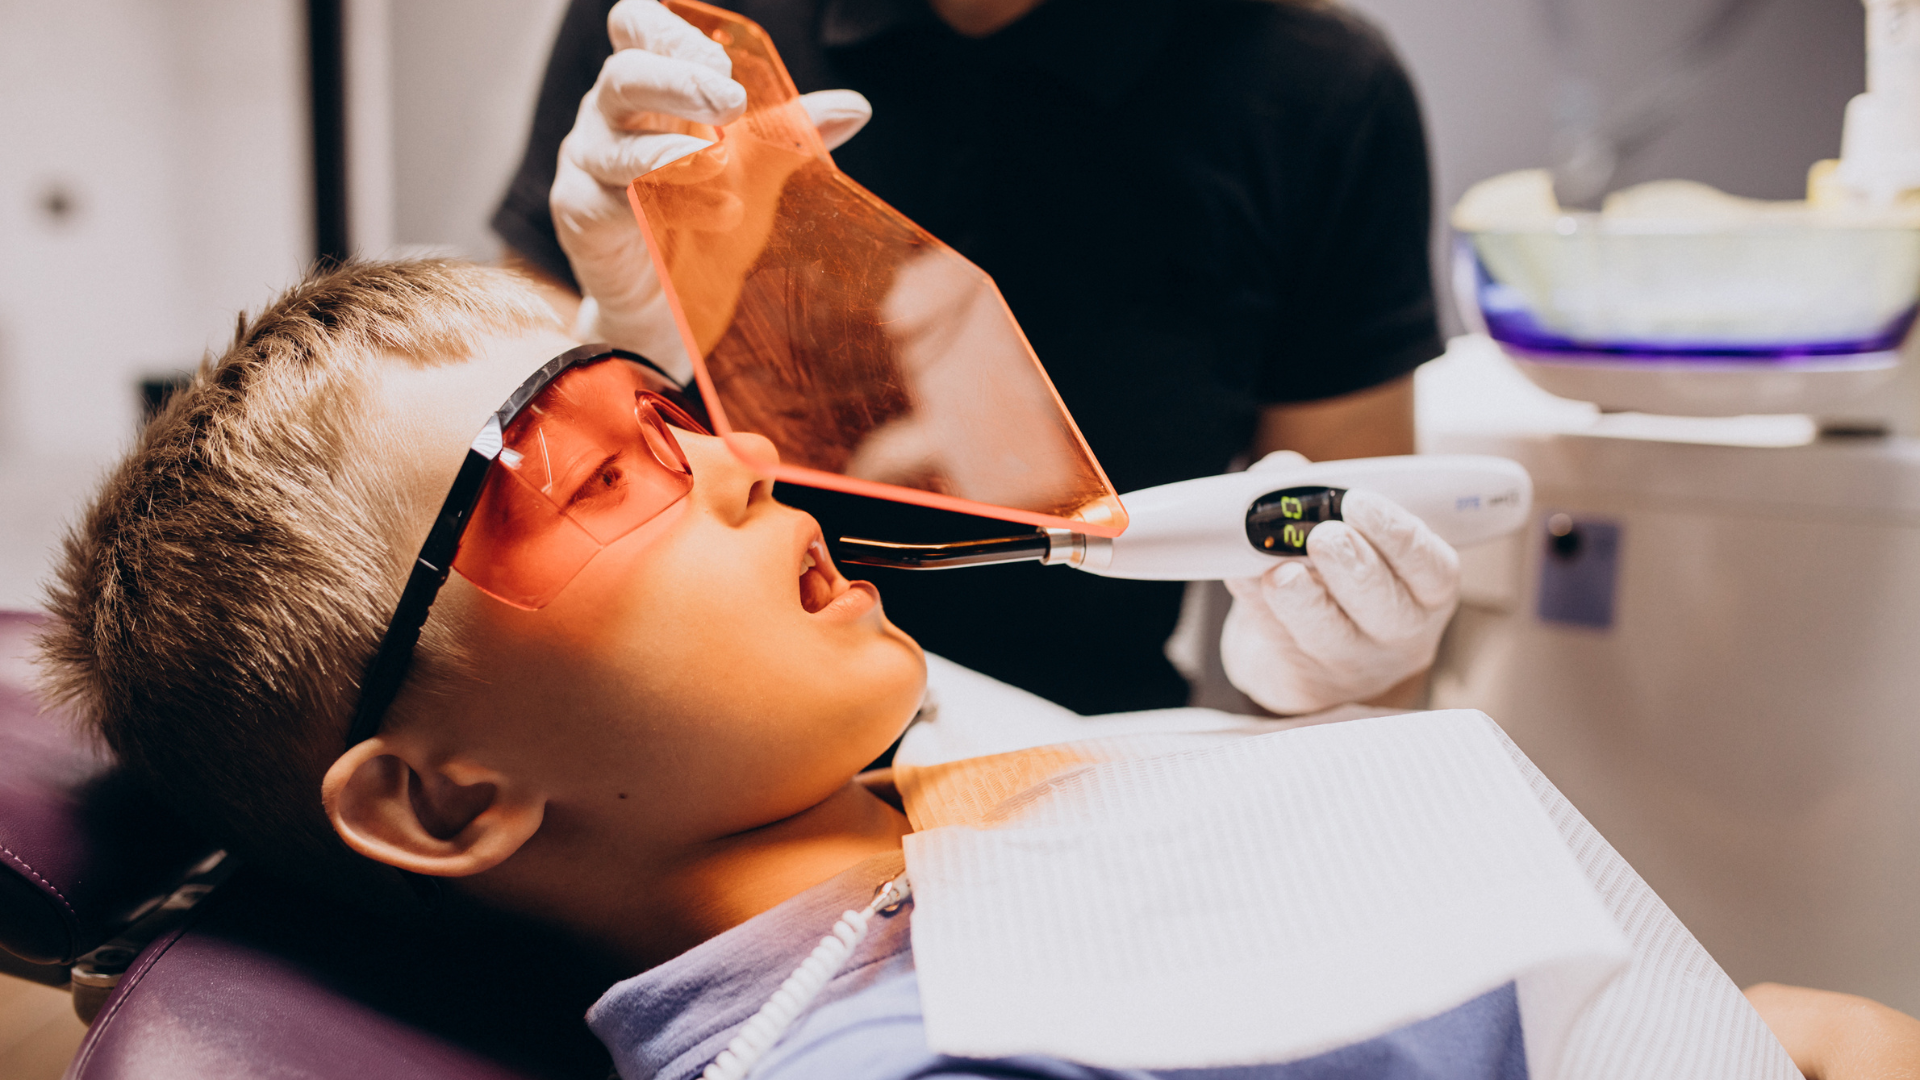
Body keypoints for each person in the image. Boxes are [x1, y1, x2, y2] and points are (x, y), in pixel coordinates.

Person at [36, 260, 1920, 1079]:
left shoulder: (904, 822)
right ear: (448, 793)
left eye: (669, 410)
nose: (748, 456)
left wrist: (1323, 713)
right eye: (601, 471)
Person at [492, 0, 1452, 716]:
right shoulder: (679, 38)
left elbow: (1349, 559)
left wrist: (1337, 670)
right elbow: (483, 524)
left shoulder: (1314, 91)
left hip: (1084, 768)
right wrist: (615, 331)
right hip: (689, 739)